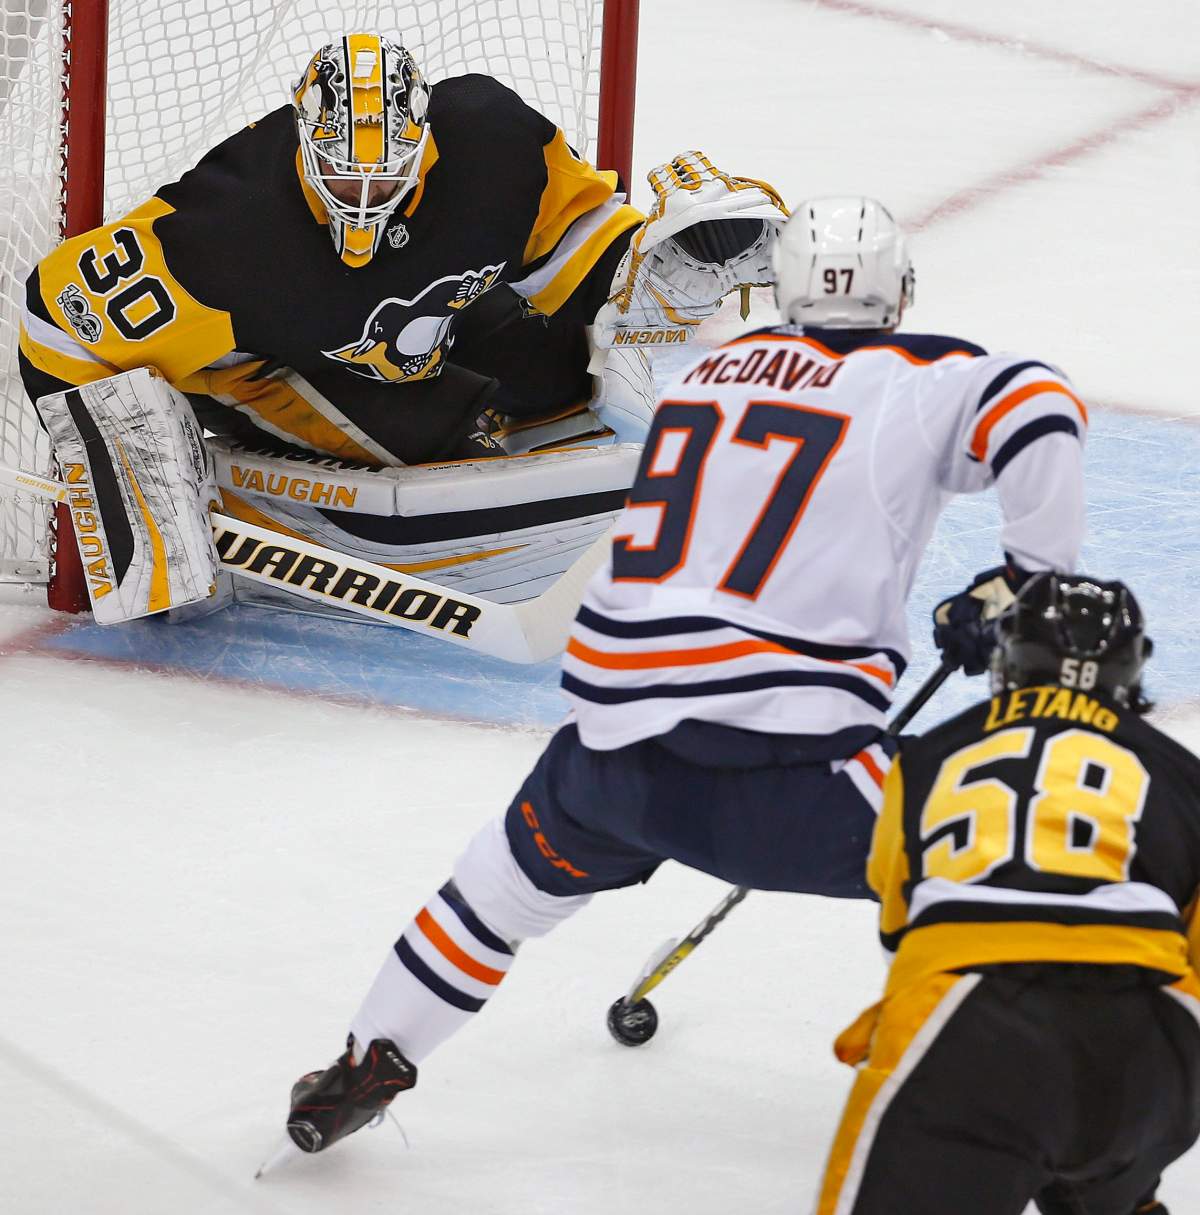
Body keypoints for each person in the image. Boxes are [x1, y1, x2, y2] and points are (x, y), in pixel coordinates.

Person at [276, 196, 1093, 1161]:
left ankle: (370, 1054)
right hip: (795, 780)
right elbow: (1042, 408)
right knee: (1038, 847)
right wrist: (1031, 587)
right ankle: (1050, 1103)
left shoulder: (708, 377)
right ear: (900, 293)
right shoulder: (919, 376)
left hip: (608, 763)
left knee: (494, 891)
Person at [18, 33, 787, 622]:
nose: (362, 197)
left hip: (419, 319)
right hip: (278, 364)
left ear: (425, 141)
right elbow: (57, 317)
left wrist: (672, 251)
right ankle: (265, 508)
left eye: (386, 174)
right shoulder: (225, 231)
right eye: (341, 173)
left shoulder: (491, 138)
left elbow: (577, 243)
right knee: (446, 441)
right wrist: (138, 484)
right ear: (303, 139)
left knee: (562, 374)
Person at [814, 574, 1200, 1215]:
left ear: (1009, 657)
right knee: (1110, 1182)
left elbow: (899, 925)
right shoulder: (1185, 777)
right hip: (1153, 1050)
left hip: (977, 1023)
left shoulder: (929, 758)